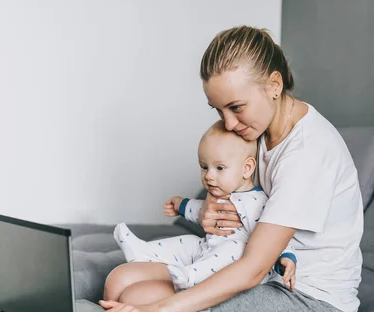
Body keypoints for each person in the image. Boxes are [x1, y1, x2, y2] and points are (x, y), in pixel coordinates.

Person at [95, 25, 363, 312]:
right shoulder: (258, 128)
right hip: (254, 267)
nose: (229, 123)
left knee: (140, 301)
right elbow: (234, 192)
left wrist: (158, 311)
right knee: (121, 279)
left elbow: (253, 268)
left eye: (236, 107)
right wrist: (211, 208)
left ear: (274, 86)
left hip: (305, 293)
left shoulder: (307, 153)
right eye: (218, 110)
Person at [113, 120, 296, 292]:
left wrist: (287, 257)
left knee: (235, 248)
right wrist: (181, 205)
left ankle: (191, 276)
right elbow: (200, 210)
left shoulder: (256, 201)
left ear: (247, 168)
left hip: (236, 261)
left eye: (219, 168)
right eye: (204, 167)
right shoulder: (219, 195)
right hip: (208, 247)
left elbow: (277, 235)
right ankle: (143, 251)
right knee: (187, 242)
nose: (209, 176)